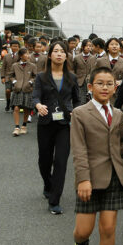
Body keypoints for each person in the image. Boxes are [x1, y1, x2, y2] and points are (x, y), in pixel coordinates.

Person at [69, 67, 123, 245]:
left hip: (114, 177)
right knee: (83, 230)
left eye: (109, 83)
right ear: (90, 87)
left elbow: (120, 146)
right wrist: (83, 179)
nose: (105, 87)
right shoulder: (80, 114)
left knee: (108, 228)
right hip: (89, 178)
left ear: (115, 87)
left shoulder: (119, 115)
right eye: (100, 83)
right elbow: (79, 150)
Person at [33, 41, 80, 215]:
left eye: (62, 51)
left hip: (64, 125)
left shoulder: (72, 78)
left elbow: (77, 99)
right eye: (56, 51)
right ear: (50, 55)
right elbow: (35, 96)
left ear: (66, 56)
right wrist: (38, 106)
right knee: (44, 160)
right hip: (45, 122)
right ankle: (47, 183)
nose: (59, 54)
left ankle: (55, 200)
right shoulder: (41, 76)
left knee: (60, 161)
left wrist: (75, 111)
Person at [11, 48, 37, 137]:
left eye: (28, 53)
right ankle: (17, 127)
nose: (28, 55)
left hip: (27, 89)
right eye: (26, 54)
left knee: (27, 108)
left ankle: (24, 125)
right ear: (21, 56)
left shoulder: (32, 65)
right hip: (17, 89)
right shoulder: (15, 65)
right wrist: (14, 82)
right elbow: (11, 75)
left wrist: (30, 82)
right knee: (16, 108)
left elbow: (35, 76)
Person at [74, 39, 97, 105]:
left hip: (89, 81)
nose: (88, 47)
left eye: (90, 46)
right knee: (80, 100)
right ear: (82, 46)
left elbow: (94, 70)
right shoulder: (77, 57)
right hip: (79, 81)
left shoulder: (94, 58)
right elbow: (74, 69)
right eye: (86, 46)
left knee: (90, 100)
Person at [1, 40, 20, 112]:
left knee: (16, 91)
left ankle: (14, 104)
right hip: (8, 76)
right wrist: (2, 77)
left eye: (16, 46)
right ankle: (8, 102)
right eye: (13, 46)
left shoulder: (20, 56)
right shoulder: (6, 56)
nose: (15, 47)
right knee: (8, 90)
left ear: (19, 47)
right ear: (10, 47)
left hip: (17, 77)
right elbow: (3, 67)